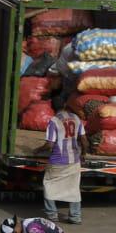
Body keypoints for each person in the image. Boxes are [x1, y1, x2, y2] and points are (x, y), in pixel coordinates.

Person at [36, 92, 89, 225]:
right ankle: (75, 216)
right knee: (74, 188)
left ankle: (52, 215)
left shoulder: (54, 121)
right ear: (65, 105)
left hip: (57, 161)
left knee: (49, 185)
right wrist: (83, 154)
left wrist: (38, 149)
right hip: (74, 160)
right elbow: (84, 140)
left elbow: (49, 144)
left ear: (52, 108)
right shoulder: (76, 118)